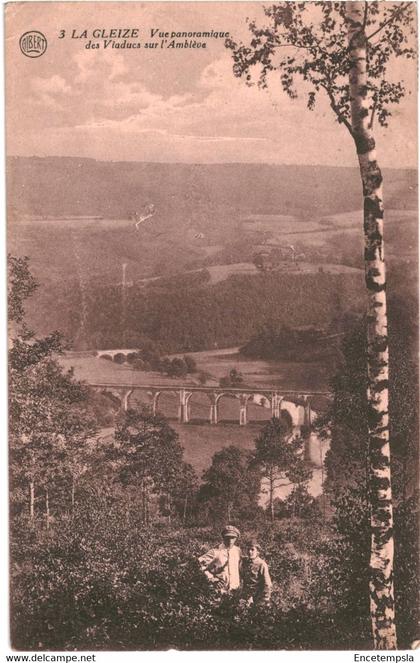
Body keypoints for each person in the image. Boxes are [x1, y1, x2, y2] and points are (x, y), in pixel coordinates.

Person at [198, 525, 241, 593]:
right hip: (220, 590)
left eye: (233, 537)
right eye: (227, 537)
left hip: (235, 590)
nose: (230, 540)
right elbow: (199, 564)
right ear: (223, 538)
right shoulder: (215, 551)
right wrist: (212, 578)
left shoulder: (237, 551)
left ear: (236, 538)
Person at [242, 540, 272, 606]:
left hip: (257, 597)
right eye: (248, 549)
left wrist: (264, 599)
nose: (250, 552)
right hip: (245, 596)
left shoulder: (261, 564)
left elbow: (267, 584)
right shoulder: (245, 563)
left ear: (257, 552)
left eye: (252, 550)